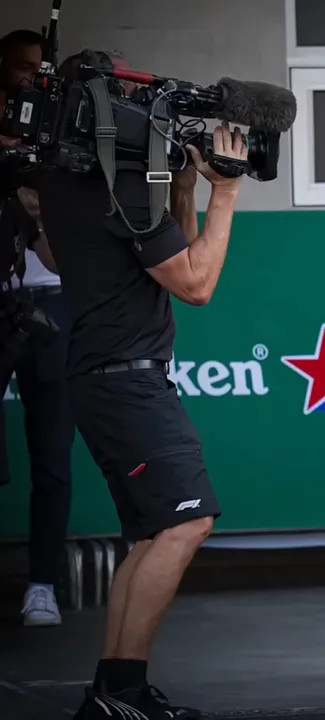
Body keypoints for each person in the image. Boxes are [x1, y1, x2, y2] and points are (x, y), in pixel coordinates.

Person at [33, 49, 249, 720]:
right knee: (188, 522)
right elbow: (197, 285)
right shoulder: (117, 189)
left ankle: (116, 690)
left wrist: (183, 187)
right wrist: (227, 193)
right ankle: (120, 688)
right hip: (126, 380)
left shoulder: (68, 185)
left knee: (155, 533)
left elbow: (149, 253)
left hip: (102, 375)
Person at [0, 28, 74, 628]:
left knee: (51, 452)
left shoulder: (56, 133)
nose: (30, 77)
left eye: (38, 69)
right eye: (21, 68)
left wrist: (38, 204)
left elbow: (58, 254)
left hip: (49, 301)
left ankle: (43, 585)